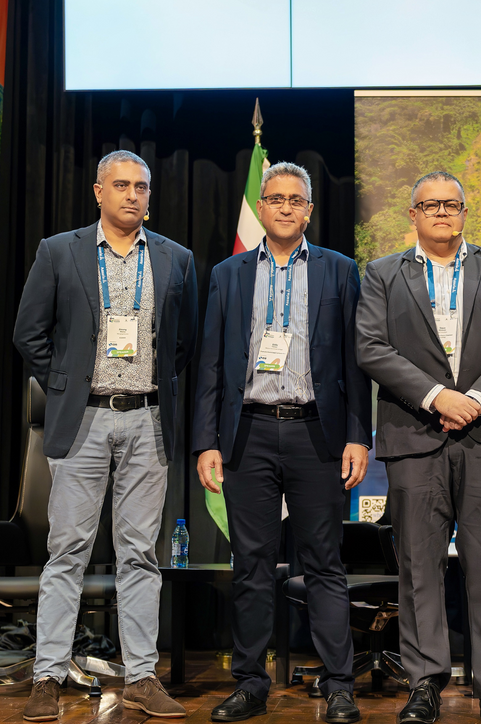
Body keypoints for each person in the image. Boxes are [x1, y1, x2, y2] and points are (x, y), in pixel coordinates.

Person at [13, 150, 198, 721]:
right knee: (67, 551)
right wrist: (65, 384)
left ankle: (141, 676)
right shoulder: (59, 251)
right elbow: (29, 333)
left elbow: (183, 343)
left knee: (140, 554)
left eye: (141, 187)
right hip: (84, 418)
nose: (132, 195)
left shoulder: (176, 258)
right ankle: (48, 676)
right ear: (99, 191)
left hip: (148, 419)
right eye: (121, 185)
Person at [355, 171, 481, 724]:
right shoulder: (382, 273)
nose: (441, 212)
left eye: (451, 204)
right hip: (415, 434)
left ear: (464, 213)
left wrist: (475, 400)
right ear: (412, 214)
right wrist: (438, 397)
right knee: (418, 567)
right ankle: (425, 684)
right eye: (430, 204)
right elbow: (371, 346)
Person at [193, 161, 371, 724]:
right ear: (261, 207)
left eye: (296, 199)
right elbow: (210, 364)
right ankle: (250, 683)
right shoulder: (228, 273)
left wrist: (358, 436)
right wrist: (206, 441)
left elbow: (356, 363)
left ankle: (339, 685)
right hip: (247, 433)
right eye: (276, 198)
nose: (286, 207)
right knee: (251, 564)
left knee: (323, 563)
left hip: (316, 433)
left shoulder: (340, 270)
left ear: (309, 210)